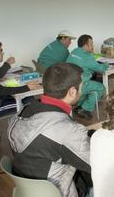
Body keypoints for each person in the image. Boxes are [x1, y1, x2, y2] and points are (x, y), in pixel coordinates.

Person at [8, 63, 93, 197]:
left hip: (29, 190)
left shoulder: (20, 114)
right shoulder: (67, 132)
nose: (81, 91)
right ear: (72, 92)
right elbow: (97, 164)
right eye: (81, 87)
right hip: (57, 192)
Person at [66, 34, 108, 119]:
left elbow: (84, 65)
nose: (93, 46)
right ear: (85, 45)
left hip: (68, 82)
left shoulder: (75, 51)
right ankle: (85, 109)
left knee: (90, 87)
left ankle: (79, 107)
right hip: (79, 84)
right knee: (100, 88)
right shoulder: (86, 56)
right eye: (91, 44)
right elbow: (100, 69)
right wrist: (106, 64)